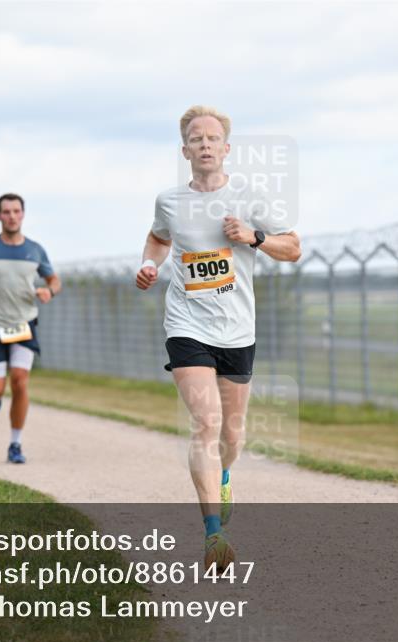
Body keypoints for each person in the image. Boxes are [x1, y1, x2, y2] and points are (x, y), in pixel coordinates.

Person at [136, 106, 301, 570]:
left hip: (237, 328)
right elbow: (157, 238)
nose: (204, 144)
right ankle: (213, 535)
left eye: (212, 138)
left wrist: (254, 236)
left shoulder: (250, 195)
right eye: (196, 138)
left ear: (226, 149)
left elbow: (293, 247)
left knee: (231, 431)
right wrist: (149, 264)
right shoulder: (169, 201)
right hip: (187, 324)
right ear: (184, 149)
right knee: (205, 423)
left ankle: (223, 474)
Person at [0, 193, 60, 464]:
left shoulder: (35, 250)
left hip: (23, 324)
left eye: (16, 211)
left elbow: (55, 280)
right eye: (6, 212)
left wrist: (48, 291)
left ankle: (15, 444)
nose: (12, 216)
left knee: (19, 380)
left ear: (23, 214)